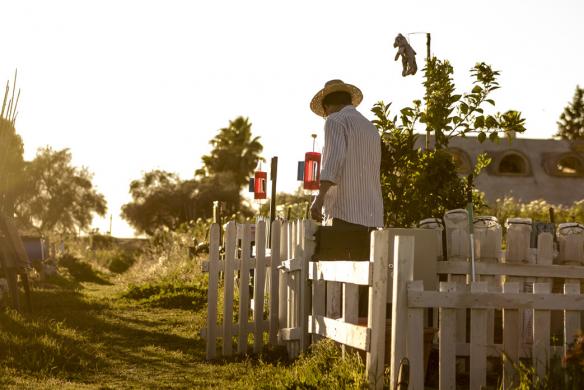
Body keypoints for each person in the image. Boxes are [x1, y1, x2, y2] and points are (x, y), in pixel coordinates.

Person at [309, 79, 384, 230]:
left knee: (339, 254)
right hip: (373, 215)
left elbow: (333, 162)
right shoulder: (370, 127)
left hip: (345, 213)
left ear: (327, 107)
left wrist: (319, 198)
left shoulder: (334, 120)